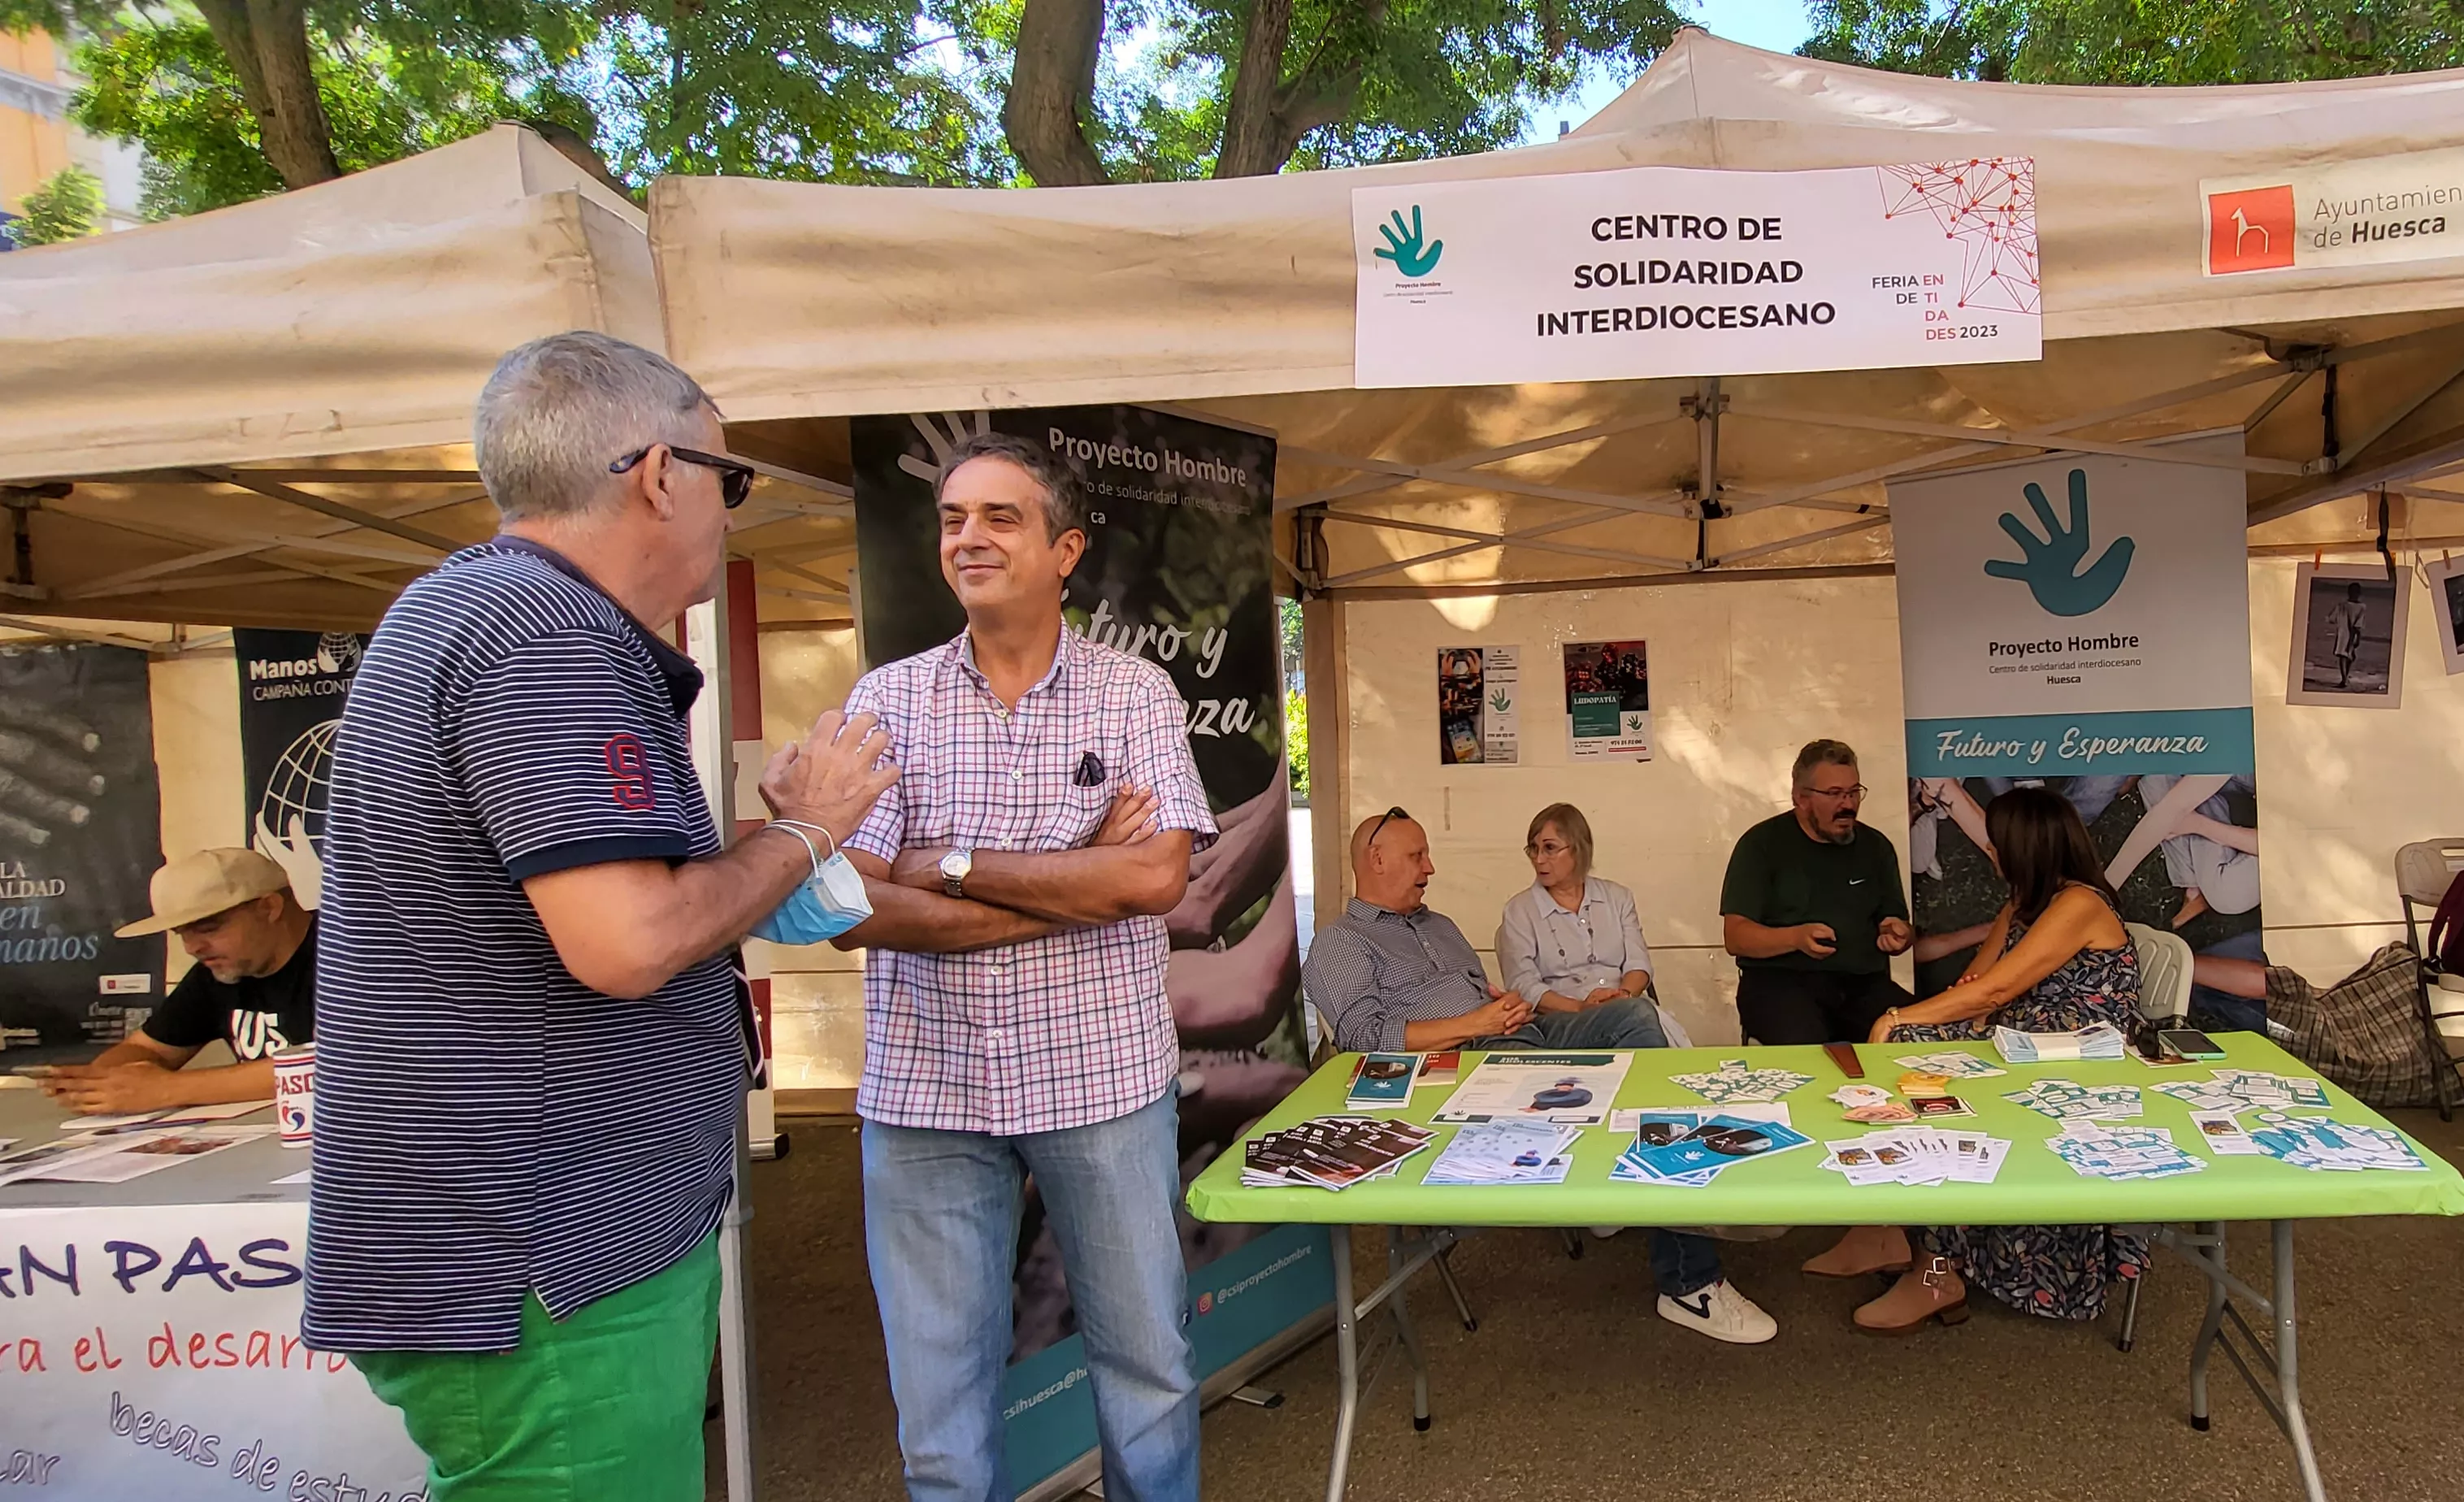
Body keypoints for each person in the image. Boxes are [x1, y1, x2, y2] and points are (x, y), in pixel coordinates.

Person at [306, 331, 900, 1501]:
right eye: (729, 479)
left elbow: (588, 905)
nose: (729, 514)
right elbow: (631, 941)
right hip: (548, 1245)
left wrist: (773, 845)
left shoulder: (473, 611)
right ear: (659, 475)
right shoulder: (548, 637)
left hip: (519, 1231)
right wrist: (809, 832)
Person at [826, 431, 1212, 1502]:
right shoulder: (887, 699)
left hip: (1101, 1086)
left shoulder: (1132, 694)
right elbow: (846, 907)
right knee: (939, 1421)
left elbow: (1153, 879)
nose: (970, 537)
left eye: (1001, 517)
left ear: (1065, 550)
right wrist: (1080, 878)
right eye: (954, 519)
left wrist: (946, 864)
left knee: (1148, 1376)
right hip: (926, 1097)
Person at [1305, 810, 1772, 1344]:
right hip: (1463, 1063)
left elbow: (1485, 992)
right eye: (1417, 856)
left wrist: (1504, 1004)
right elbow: (1362, 1039)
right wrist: (1476, 1023)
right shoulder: (1341, 942)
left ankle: (1655, 1172)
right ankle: (1689, 1270)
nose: (1430, 868)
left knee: (1635, 1018)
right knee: (1604, 1097)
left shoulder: (1438, 925)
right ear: (1377, 859)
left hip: (1519, 1034)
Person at [1805, 788, 2149, 1333]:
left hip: (2074, 1058)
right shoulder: (2024, 904)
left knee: (1915, 1058)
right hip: (2019, 1040)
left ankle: (1935, 1271)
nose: (1990, 852)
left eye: (1997, 844)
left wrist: (1899, 1015)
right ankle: (1887, 1227)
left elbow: (1993, 992)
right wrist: (1952, 1010)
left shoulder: (2079, 904)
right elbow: (1981, 983)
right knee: (1909, 1049)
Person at [43, 849, 310, 1114]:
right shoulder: (221, 969)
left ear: (269, 908)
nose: (192, 948)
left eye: (208, 928)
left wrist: (167, 1089)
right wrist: (104, 1082)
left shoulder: (334, 959)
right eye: (181, 933)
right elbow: (146, 1048)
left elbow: (331, 1069)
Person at [1721, 740, 1913, 1044]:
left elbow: (1897, 922)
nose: (1848, 805)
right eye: (1834, 794)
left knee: (1921, 1033)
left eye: (1853, 792)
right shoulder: (1761, 845)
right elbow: (1736, 937)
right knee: (1810, 1049)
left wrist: (1899, 933)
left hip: (1863, 986)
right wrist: (1795, 938)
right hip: (1780, 985)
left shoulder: (1876, 847)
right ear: (1801, 798)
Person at [1497, 803, 1658, 1018]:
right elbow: (1523, 985)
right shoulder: (1520, 911)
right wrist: (1581, 1008)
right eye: (1533, 849)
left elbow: (1638, 964)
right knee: (1640, 1023)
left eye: (1550, 848)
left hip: (1628, 1009)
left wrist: (1622, 998)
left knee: (1642, 1018)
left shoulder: (1618, 898)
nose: (1539, 859)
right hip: (1563, 1020)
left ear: (1578, 848)